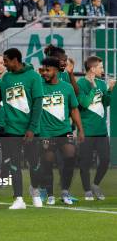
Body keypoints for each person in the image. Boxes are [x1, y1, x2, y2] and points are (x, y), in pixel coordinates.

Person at [0, 47, 44, 209]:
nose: (4, 64)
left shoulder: (33, 76)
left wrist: (32, 128)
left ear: (15, 60)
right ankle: (18, 198)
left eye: (6, 61)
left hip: (31, 130)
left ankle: (35, 192)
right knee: (14, 164)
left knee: (34, 164)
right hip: (12, 129)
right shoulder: (5, 79)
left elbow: (38, 104)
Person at [39, 57, 84, 205]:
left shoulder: (67, 87)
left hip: (64, 130)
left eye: (48, 70)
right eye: (43, 70)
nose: (44, 73)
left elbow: (74, 109)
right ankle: (50, 194)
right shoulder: (38, 86)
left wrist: (80, 130)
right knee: (47, 163)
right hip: (45, 132)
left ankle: (65, 191)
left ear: (56, 71)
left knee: (71, 156)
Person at [77, 56, 114, 201]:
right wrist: (92, 87)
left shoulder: (101, 83)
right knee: (85, 162)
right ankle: (87, 190)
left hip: (101, 131)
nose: (103, 70)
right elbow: (85, 103)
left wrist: (109, 90)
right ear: (92, 69)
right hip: (86, 130)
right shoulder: (80, 84)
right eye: (101, 67)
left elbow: (106, 103)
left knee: (105, 160)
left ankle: (95, 184)